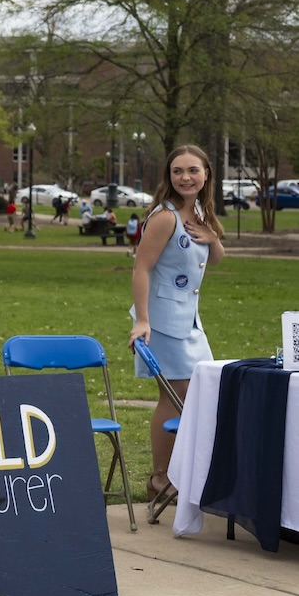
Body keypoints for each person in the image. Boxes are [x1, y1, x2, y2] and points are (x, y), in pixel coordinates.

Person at [131, 144, 223, 499]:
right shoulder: (164, 216)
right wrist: (142, 320)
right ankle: (159, 479)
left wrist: (213, 236)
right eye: (178, 171)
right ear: (169, 177)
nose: (186, 177)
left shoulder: (199, 210)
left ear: (206, 175)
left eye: (193, 171)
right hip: (163, 323)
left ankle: (179, 476)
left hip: (191, 323)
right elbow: (141, 268)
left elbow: (214, 259)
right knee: (174, 398)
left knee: (197, 397)